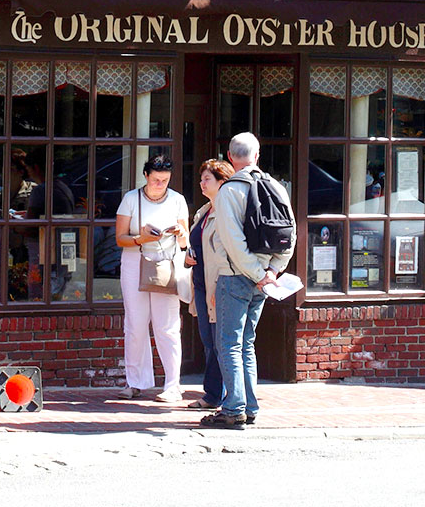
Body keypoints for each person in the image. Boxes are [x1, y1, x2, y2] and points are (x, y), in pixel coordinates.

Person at [201, 131, 294, 430]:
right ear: (257, 155)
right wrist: (271, 273)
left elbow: (231, 240)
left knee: (228, 343)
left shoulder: (230, 191)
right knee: (247, 344)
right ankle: (249, 406)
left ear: (230, 157)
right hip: (263, 279)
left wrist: (256, 274)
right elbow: (289, 235)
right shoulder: (276, 187)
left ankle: (233, 408)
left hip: (236, 276)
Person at [114, 153, 188, 402]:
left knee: (167, 325)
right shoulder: (131, 199)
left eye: (165, 180)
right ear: (145, 176)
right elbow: (120, 238)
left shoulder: (177, 200)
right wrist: (141, 238)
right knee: (135, 324)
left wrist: (179, 232)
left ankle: (172, 384)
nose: (160, 185)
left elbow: (186, 241)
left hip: (165, 263)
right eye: (156, 179)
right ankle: (135, 382)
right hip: (135, 261)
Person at [181, 157, 233, 412]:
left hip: (218, 284)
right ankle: (214, 393)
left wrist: (219, 288)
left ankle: (216, 395)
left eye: (207, 179)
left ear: (222, 181)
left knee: (218, 343)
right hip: (200, 283)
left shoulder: (227, 212)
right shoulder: (204, 211)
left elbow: (228, 253)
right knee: (208, 341)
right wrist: (188, 257)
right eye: (201, 178)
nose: (201, 183)